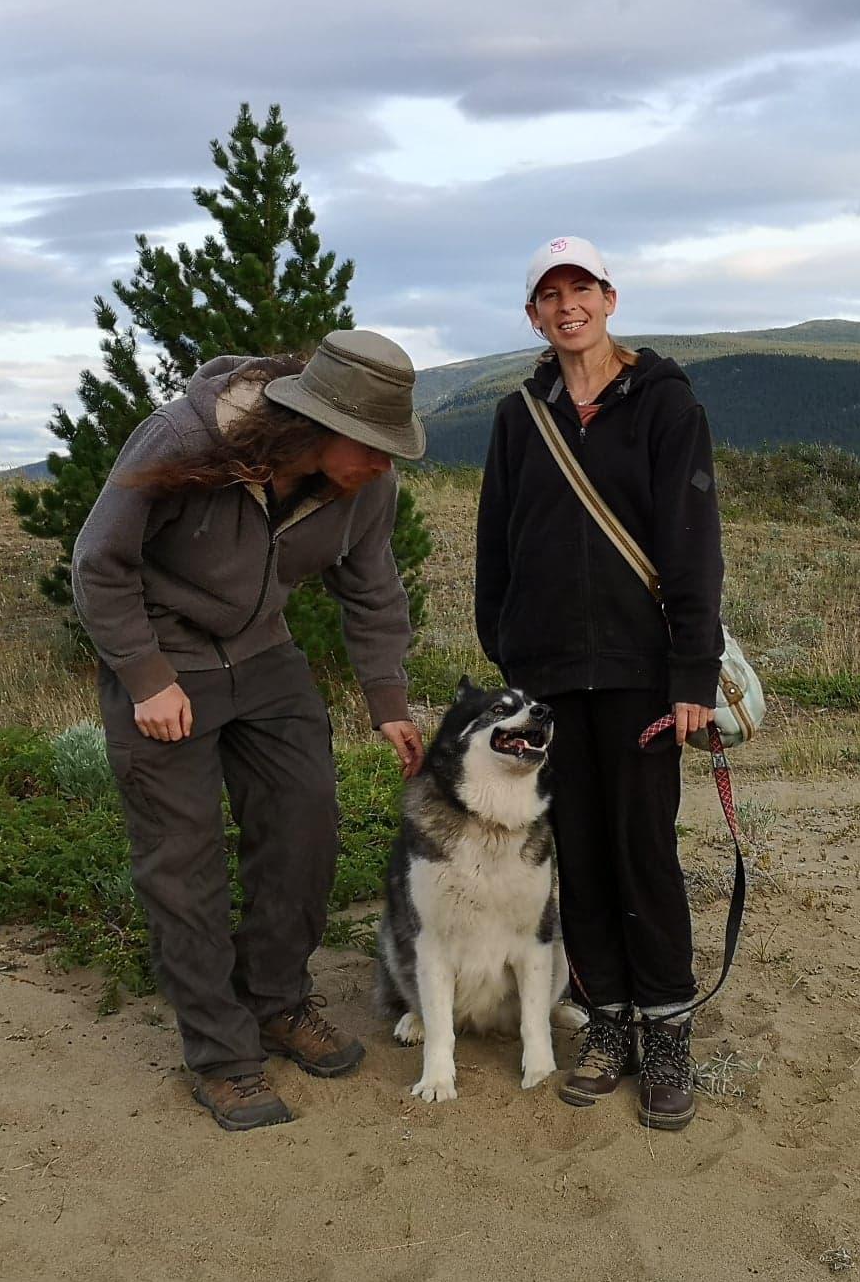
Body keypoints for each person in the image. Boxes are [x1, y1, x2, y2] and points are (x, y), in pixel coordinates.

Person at [73, 329, 428, 1132]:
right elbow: (99, 562)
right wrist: (146, 677)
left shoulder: (365, 483)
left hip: (264, 654)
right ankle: (222, 1056)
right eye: (372, 446)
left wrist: (389, 698)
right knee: (183, 861)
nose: (383, 465)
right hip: (164, 659)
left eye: (392, 449)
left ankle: (275, 1001)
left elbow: (372, 585)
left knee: (306, 822)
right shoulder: (185, 438)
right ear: (317, 424)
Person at [474, 237, 724, 1130]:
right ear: (533, 315)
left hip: (640, 673)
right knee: (575, 856)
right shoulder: (519, 417)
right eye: (550, 294)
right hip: (547, 678)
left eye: (581, 288)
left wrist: (692, 672)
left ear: (610, 299)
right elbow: (495, 542)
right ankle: (609, 1023)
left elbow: (692, 543)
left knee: (642, 853)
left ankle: (668, 1034)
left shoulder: (665, 404)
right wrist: (506, 649)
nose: (567, 305)